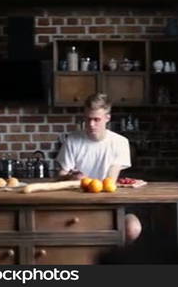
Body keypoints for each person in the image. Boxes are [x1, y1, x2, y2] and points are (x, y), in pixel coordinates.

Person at [56, 93, 142, 243]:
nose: (91, 124)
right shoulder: (72, 140)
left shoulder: (120, 142)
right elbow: (61, 175)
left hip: (110, 200)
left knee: (132, 228)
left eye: (96, 120)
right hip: (77, 202)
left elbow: (110, 180)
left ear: (107, 118)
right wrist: (71, 178)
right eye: (88, 119)